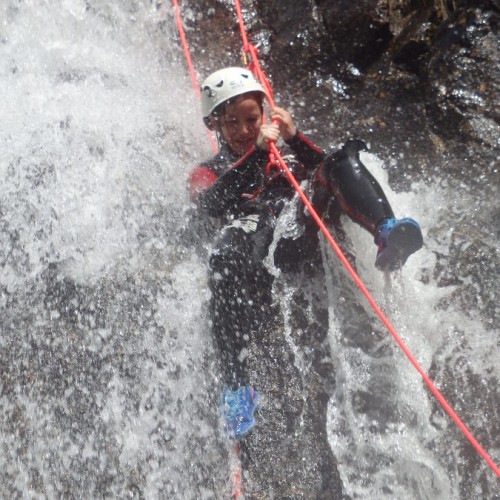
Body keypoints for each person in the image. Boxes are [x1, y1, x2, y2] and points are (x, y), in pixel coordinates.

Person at [188, 67, 423, 443]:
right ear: (214, 122)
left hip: (301, 225)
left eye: (252, 119)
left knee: (342, 157)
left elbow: (329, 172)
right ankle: (236, 388)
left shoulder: (285, 154)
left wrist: (295, 139)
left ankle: (387, 233)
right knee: (223, 254)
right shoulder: (209, 170)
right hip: (261, 247)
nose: (245, 130)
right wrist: (254, 156)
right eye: (232, 123)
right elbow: (208, 205)